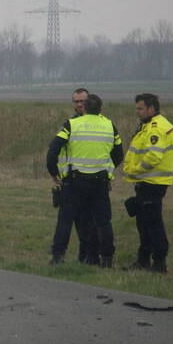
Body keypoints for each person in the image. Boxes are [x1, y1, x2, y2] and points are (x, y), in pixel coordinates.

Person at [46, 93, 123, 267]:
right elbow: (118, 154)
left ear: (84, 108)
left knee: (65, 220)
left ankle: (58, 257)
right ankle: (107, 259)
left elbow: (53, 149)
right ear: (101, 109)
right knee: (103, 221)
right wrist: (107, 171)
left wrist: (54, 173)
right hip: (100, 182)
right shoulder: (110, 125)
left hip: (75, 182)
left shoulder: (72, 124)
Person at [122, 93, 173, 274]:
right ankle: (143, 260)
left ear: (151, 109)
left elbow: (153, 156)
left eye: (140, 108)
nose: (137, 112)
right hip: (146, 182)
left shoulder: (156, 128)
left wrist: (135, 169)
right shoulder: (148, 125)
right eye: (136, 108)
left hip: (153, 182)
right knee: (143, 222)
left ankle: (159, 264)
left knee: (153, 223)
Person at [56, 88, 100, 264]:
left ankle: (89, 257)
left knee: (90, 223)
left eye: (83, 101)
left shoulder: (101, 123)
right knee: (69, 221)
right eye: (76, 101)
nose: (79, 104)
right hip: (71, 181)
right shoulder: (70, 123)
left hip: (94, 181)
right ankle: (60, 257)